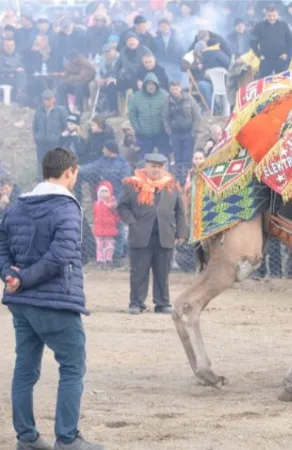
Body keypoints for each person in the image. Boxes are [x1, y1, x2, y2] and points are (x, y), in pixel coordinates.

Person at [0, 148, 105, 450]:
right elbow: (61, 256)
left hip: (21, 303)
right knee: (72, 366)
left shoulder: (18, 206)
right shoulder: (67, 208)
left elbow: (2, 242)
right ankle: (67, 438)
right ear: (70, 171)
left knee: (25, 368)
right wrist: (23, 277)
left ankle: (27, 438)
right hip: (55, 300)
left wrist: (10, 275)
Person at [117, 153, 187, 315]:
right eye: (153, 166)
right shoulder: (132, 185)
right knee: (138, 272)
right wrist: (133, 222)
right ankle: (136, 303)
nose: (157, 170)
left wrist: (181, 233)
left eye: (160, 166)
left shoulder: (171, 186)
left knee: (163, 273)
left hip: (165, 235)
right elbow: (122, 207)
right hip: (140, 236)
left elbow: (180, 211)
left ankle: (162, 303)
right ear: (145, 167)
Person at [92, 181, 119, 269]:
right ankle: (100, 260)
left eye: (106, 191)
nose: (103, 194)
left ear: (110, 192)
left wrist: (114, 222)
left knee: (109, 245)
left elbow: (117, 215)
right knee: (99, 245)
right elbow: (95, 215)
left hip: (109, 228)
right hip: (99, 229)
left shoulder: (112, 204)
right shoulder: (96, 204)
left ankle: (108, 259)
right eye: (101, 192)